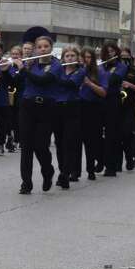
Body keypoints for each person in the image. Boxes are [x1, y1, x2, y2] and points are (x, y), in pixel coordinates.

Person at [17, 35, 62, 194]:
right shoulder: (31, 63)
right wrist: (11, 70)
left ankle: (47, 170)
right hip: (27, 106)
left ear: (51, 48)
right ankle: (26, 183)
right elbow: (17, 81)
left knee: (40, 146)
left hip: (47, 107)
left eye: (46, 46)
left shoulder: (56, 65)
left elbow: (42, 80)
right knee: (26, 147)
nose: (43, 49)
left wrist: (24, 69)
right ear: (36, 49)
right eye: (40, 47)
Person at [53, 46, 83, 188]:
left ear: (77, 58)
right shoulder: (59, 70)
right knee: (59, 143)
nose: (70, 58)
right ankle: (62, 170)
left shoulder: (80, 71)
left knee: (69, 142)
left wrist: (52, 77)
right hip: (57, 108)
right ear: (63, 58)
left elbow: (71, 84)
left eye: (72, 55)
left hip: (72, 108)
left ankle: (65, 174)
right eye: (67, 56)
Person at [77, 47, 109, 180]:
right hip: (77, 107)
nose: (85, 60)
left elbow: (103, 92)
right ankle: (75, 172)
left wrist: (89, 83)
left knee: (91, 141)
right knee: (77, 141)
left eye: (88, 57)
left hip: (93, 108)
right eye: (82, 57)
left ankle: (91, 169)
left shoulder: (100, 72)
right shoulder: (75, 71)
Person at [99, 42, 127, 177]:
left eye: (112, 51)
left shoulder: (121, 66)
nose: (110, 54)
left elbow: (113, 80)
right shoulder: (101, 65)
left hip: (112, 101)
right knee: (97, 134)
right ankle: (99, 161)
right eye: (107, 51)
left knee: (111, 134)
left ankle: (111, 166)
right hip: (98, 100)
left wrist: (98, 74)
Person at [118, 49, 135, 171]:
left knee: (126, 133)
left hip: (130, 105)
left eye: (126, 57)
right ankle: (117, 163)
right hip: (116, 105)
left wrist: (129, 85)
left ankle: (130, 157)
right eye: (122, 57)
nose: (124, 59)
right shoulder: (116, 69)